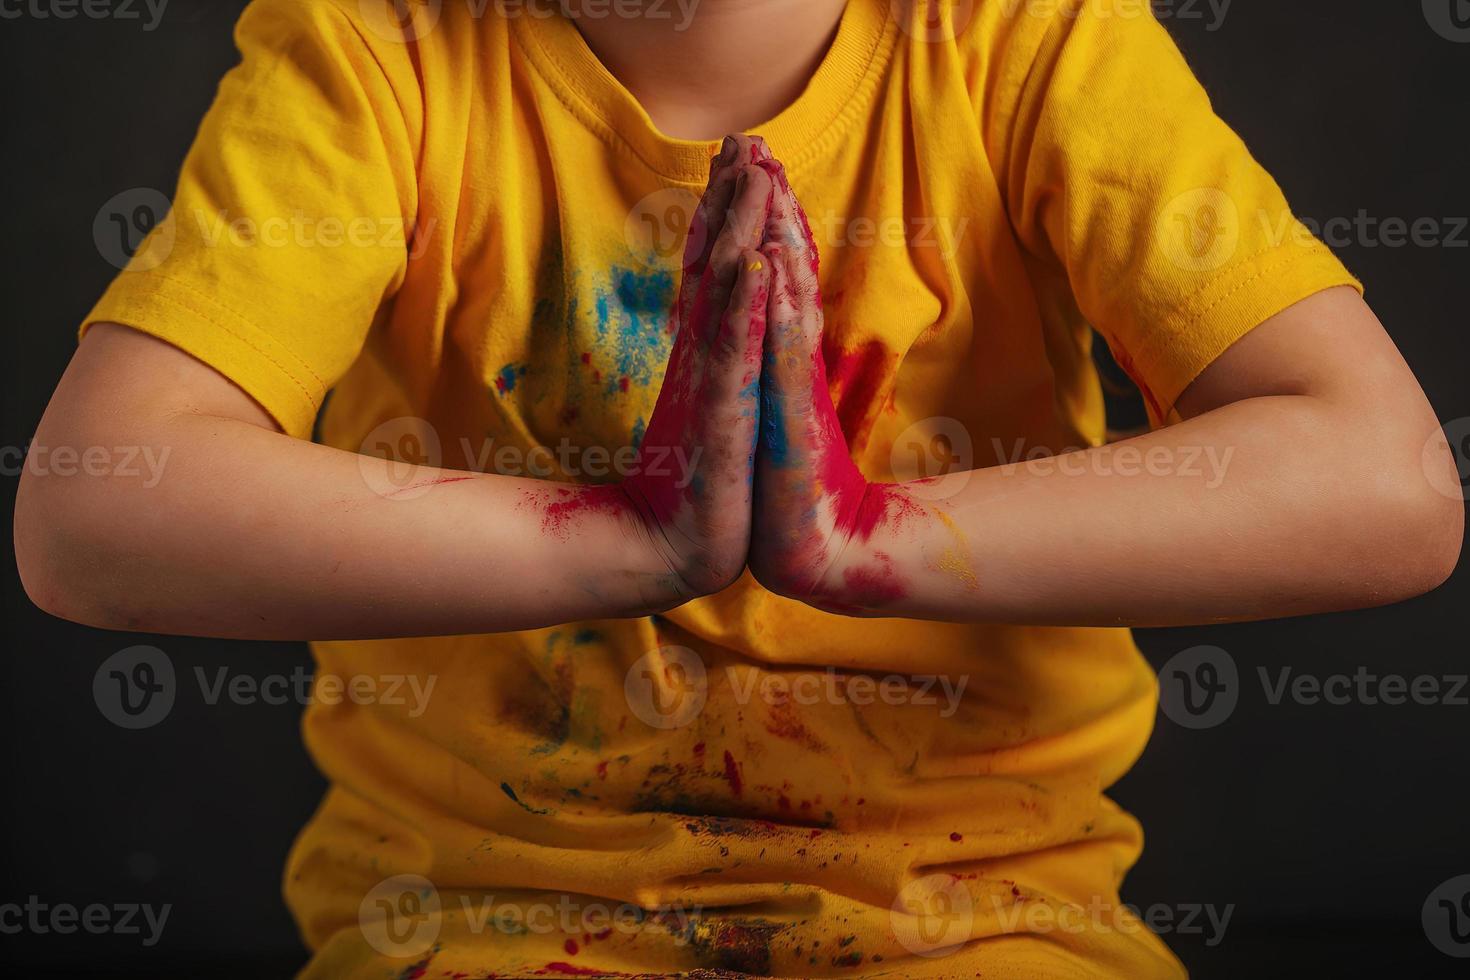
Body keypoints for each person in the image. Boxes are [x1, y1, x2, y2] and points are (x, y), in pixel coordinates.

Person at [15, 1, 1461, 976]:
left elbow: (1383, 480)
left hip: (979, 917)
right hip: (482, 919)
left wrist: (865, 541)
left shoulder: (1031, 37)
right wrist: (621, 543)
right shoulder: (376, 48)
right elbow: (94, 511)